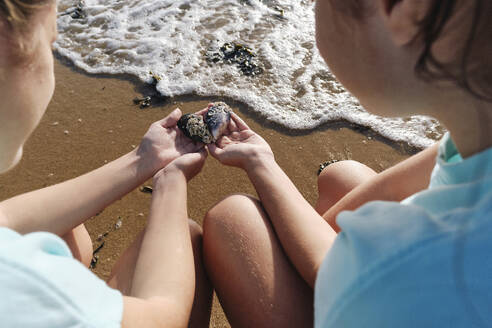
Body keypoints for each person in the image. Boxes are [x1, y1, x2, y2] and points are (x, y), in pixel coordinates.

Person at [202, 0, 492, 327]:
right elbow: (392, 186)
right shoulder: (479, 135)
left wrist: (261, 163)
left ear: (403, 11)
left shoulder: (445, 256)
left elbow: (332, 271)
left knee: (235, 219)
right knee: (342, 178)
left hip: (396, 296)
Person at [0, 1, 212, 327]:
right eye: (51, 43)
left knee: (70, 237)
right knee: (185, 236)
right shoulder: (21, 284)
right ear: (6, 46)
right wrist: (170, 182)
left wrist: (144, 159)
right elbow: (162, 317)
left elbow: (6, 221)